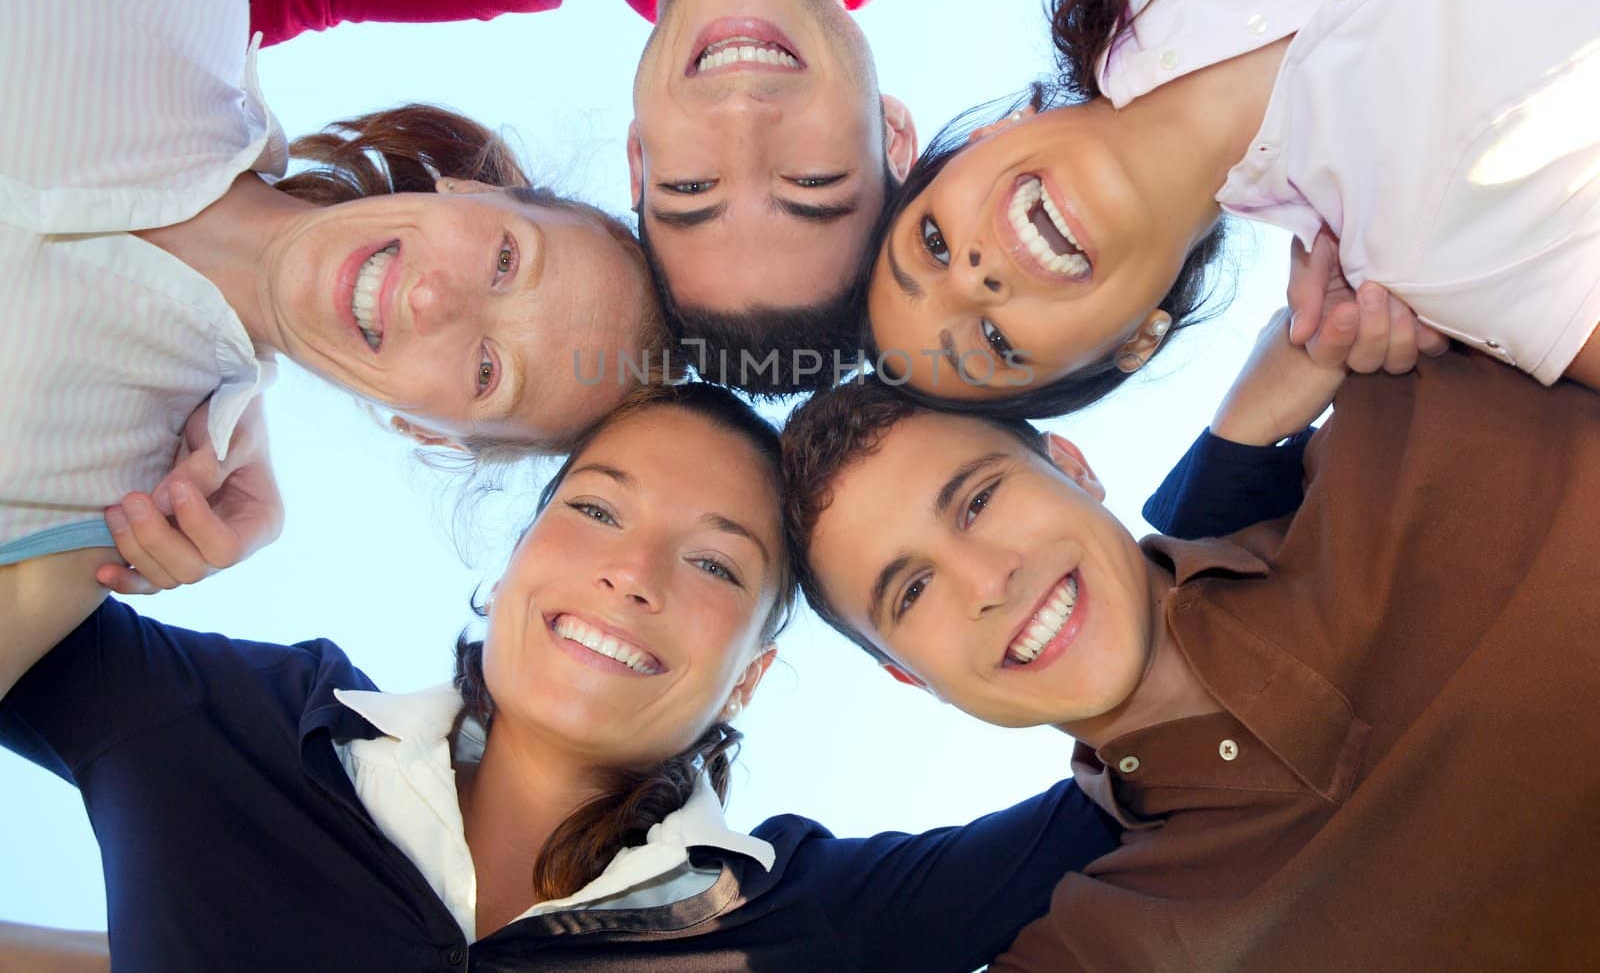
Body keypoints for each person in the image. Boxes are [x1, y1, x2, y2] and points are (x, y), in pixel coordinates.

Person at [0, 384, 1125, 972]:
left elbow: (1157, 778)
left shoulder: (805, 915)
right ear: (511, 565)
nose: (631, 573)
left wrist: (1222, 468)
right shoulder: (239, 724)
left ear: (749, 678)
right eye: (594, 509)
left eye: (716, 563)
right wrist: (155, 480)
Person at [187, 0, 1079, 391]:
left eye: (693, 186)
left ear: (640, 161)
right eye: (810, 179)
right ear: (892, 133)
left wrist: (228, 354)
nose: (742, 115)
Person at [0, 0, 670, 579]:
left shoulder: (121, 520)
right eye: (505, 259)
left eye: (488, 370)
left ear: (427, 431)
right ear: (474, 190)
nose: (433, 299)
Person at [781, 329, 1600, 969]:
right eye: (912, 592)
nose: (987, 579)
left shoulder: (1429, 414)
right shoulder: (1097, 954)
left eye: (979, 500)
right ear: (906, 676)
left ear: (1072, 464)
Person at [863, 0, 1600, 416]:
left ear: (983, 136)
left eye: (930, 242)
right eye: (994, 342)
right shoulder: (1451, 262)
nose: (972, 278)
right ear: (1137, 344)